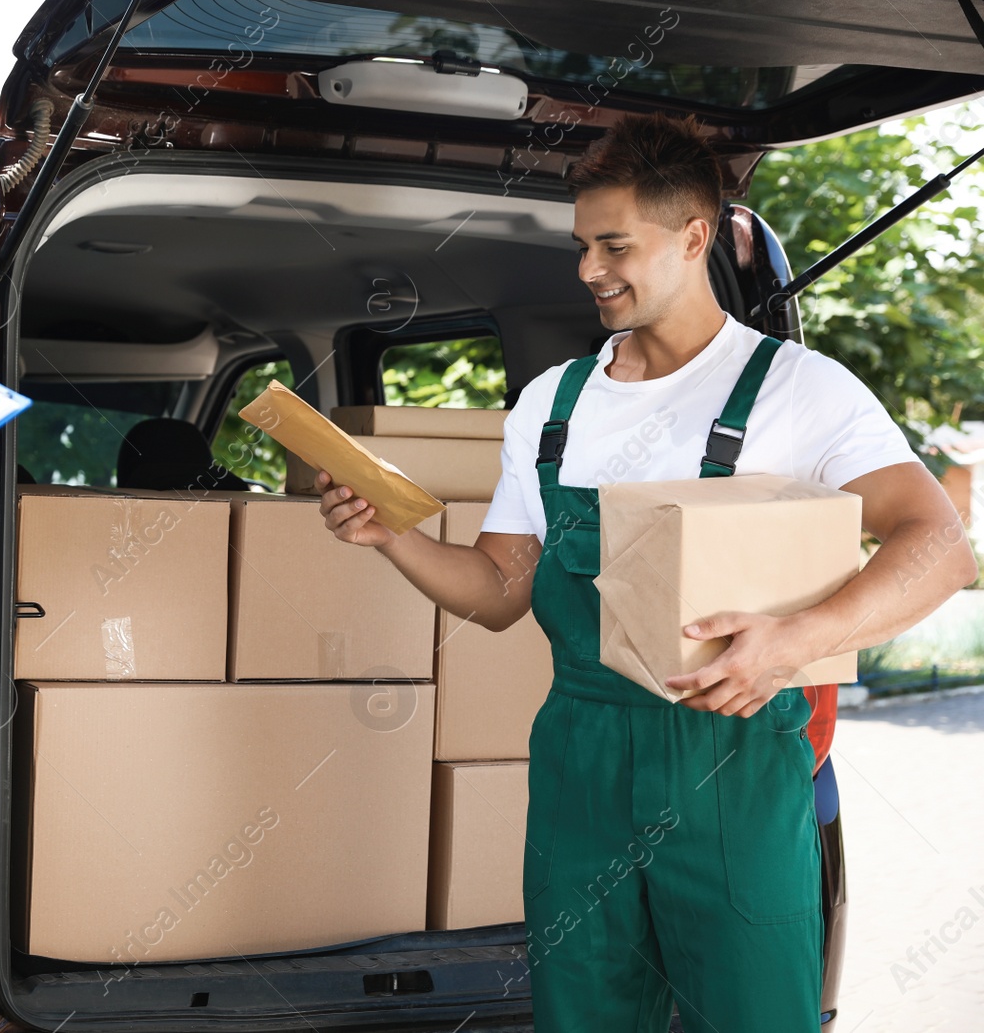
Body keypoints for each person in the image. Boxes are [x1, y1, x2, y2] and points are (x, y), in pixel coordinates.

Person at [317, 113, 975, 1032]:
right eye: (583, 244)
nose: (590, 269)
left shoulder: (796, 389)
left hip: (731, 775)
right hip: (579, 771)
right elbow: (502, 591)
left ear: (695, 237)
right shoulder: (553, 404)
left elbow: (940, 544)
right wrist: (390, 536)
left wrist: (795, 641)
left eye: (615, 245)